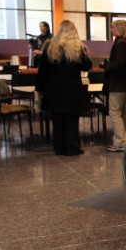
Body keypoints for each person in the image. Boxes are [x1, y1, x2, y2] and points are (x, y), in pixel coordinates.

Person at [34, 20, 92, 156]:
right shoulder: (78, 48)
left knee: (57, 120)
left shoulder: (50, 47)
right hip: (72, 89)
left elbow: (42, 70)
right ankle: (72, 148)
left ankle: (59, 148)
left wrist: (39, 88)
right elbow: (87, 66)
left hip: (54, 90)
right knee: (72, 120)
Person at [104, 20, 126, 153]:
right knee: (124, 113)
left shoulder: (120, 43)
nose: (111, 30)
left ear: (118, 29)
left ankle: (120, 141)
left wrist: (107, 67)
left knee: (115, 113)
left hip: (118, 84)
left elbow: (119, 63)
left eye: (112, 27)